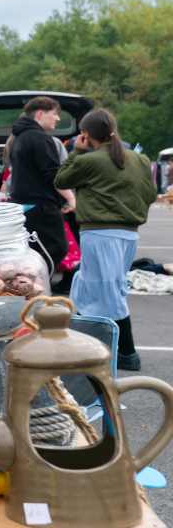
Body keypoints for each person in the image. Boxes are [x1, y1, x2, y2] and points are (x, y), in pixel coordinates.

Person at [55, 109, 157, 371]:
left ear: (86, 135)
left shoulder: (91, 160)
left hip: (99, 232)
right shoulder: (140, 159)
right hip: (128, 232)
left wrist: (77, 152)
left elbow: (61, 179)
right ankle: (82, 341)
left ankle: (127, 352)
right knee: (89, 285)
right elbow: (150, 194)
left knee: (107, 291)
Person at [8, 96, 69, 273]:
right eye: (55, 114)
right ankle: (36, 285)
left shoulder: (19, 138)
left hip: (24, 206)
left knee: (34, 251)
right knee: (56, 248)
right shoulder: (40, 138)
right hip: (42, 207)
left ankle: (30, 286)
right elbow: (53, 175)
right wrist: (71, 199)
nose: (57, 118)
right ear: (40, 114)